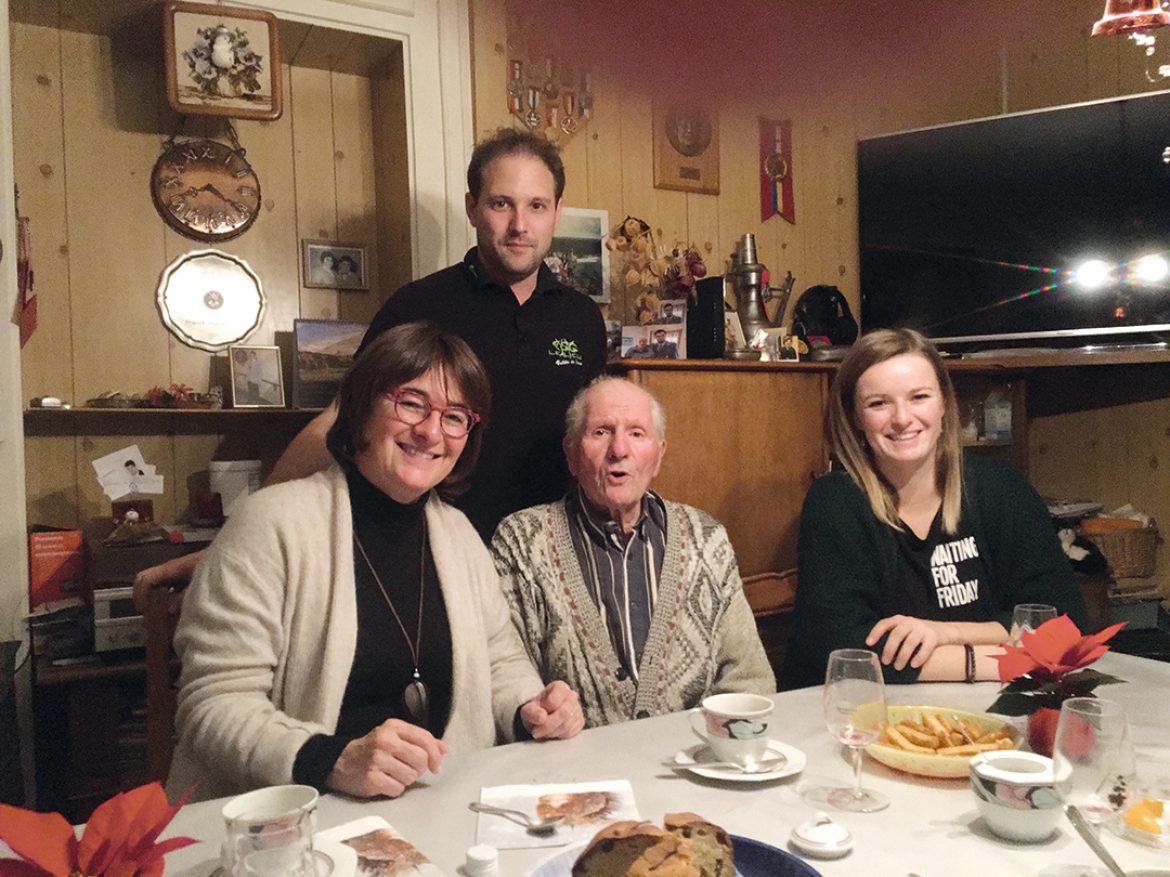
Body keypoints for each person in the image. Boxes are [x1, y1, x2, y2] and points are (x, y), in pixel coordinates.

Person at [133, 127, 606, 609]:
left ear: (557, 212)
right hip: (440, 561)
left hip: (555, 568)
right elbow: (341, 422)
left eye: (537, 206)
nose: (519, 225)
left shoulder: (582, 318)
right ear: (472, 207)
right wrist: (231, 543)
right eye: (501, 204)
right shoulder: (421, 304)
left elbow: (596, 443)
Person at [167, 322, 584, 801]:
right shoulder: (270, 523)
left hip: (439, 809)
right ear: (363, 407)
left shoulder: (460, 536)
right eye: (411, 403)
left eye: (455, 417)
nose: (431, 432)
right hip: (296, 822)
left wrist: (530, 707)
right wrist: (332, 760)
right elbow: (211, 705)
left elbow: (500, 660)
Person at [780, 328, 1087, 690]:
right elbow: (845, 651)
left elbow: (1066, 624)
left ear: (944, 404)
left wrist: (943, 633)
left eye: (919, 397)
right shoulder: (836, 502)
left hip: (986, 711)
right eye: (878, 403)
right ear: (855, 418)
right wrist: (1001, 659)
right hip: (857, 713)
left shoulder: (1001, 488)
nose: (902, 418)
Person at [492, 377, 775, 727]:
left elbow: (750, 680)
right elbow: (504, 673)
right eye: (601, 432)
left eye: (637, 433)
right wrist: (537, 713)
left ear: (658, 455)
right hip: (573, 771)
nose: (619, 449)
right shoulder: (521, 542)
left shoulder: (706, 537)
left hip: (693, 764)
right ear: (572, 455)